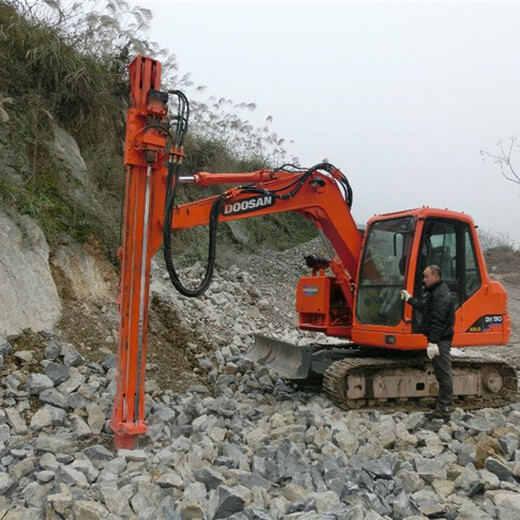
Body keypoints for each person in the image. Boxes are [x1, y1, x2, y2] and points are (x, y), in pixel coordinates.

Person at [401, 264, 455, 420]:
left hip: (441, 340)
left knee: (444, 375)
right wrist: (410, 299)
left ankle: (444, 408)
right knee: (440, 373)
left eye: (426, 276)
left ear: (436, 276)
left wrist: (433, 342)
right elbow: (425, 308)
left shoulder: (440, 295)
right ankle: (441, 403)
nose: (423, 280)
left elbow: (438, 320)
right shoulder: (435, 292)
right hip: (438, 339)